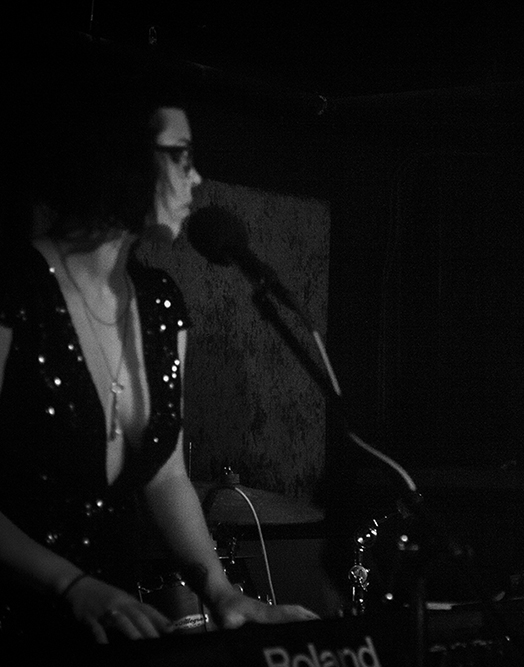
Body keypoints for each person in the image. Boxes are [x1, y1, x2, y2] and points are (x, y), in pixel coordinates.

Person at [0, 81, 319, 647]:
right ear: (121, 156)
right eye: (182, 155)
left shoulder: (159, 300)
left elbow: (165, 475)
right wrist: (71, 585)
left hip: (115, 625)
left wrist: (221, 592)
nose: (196, 178)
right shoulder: (13, 289)